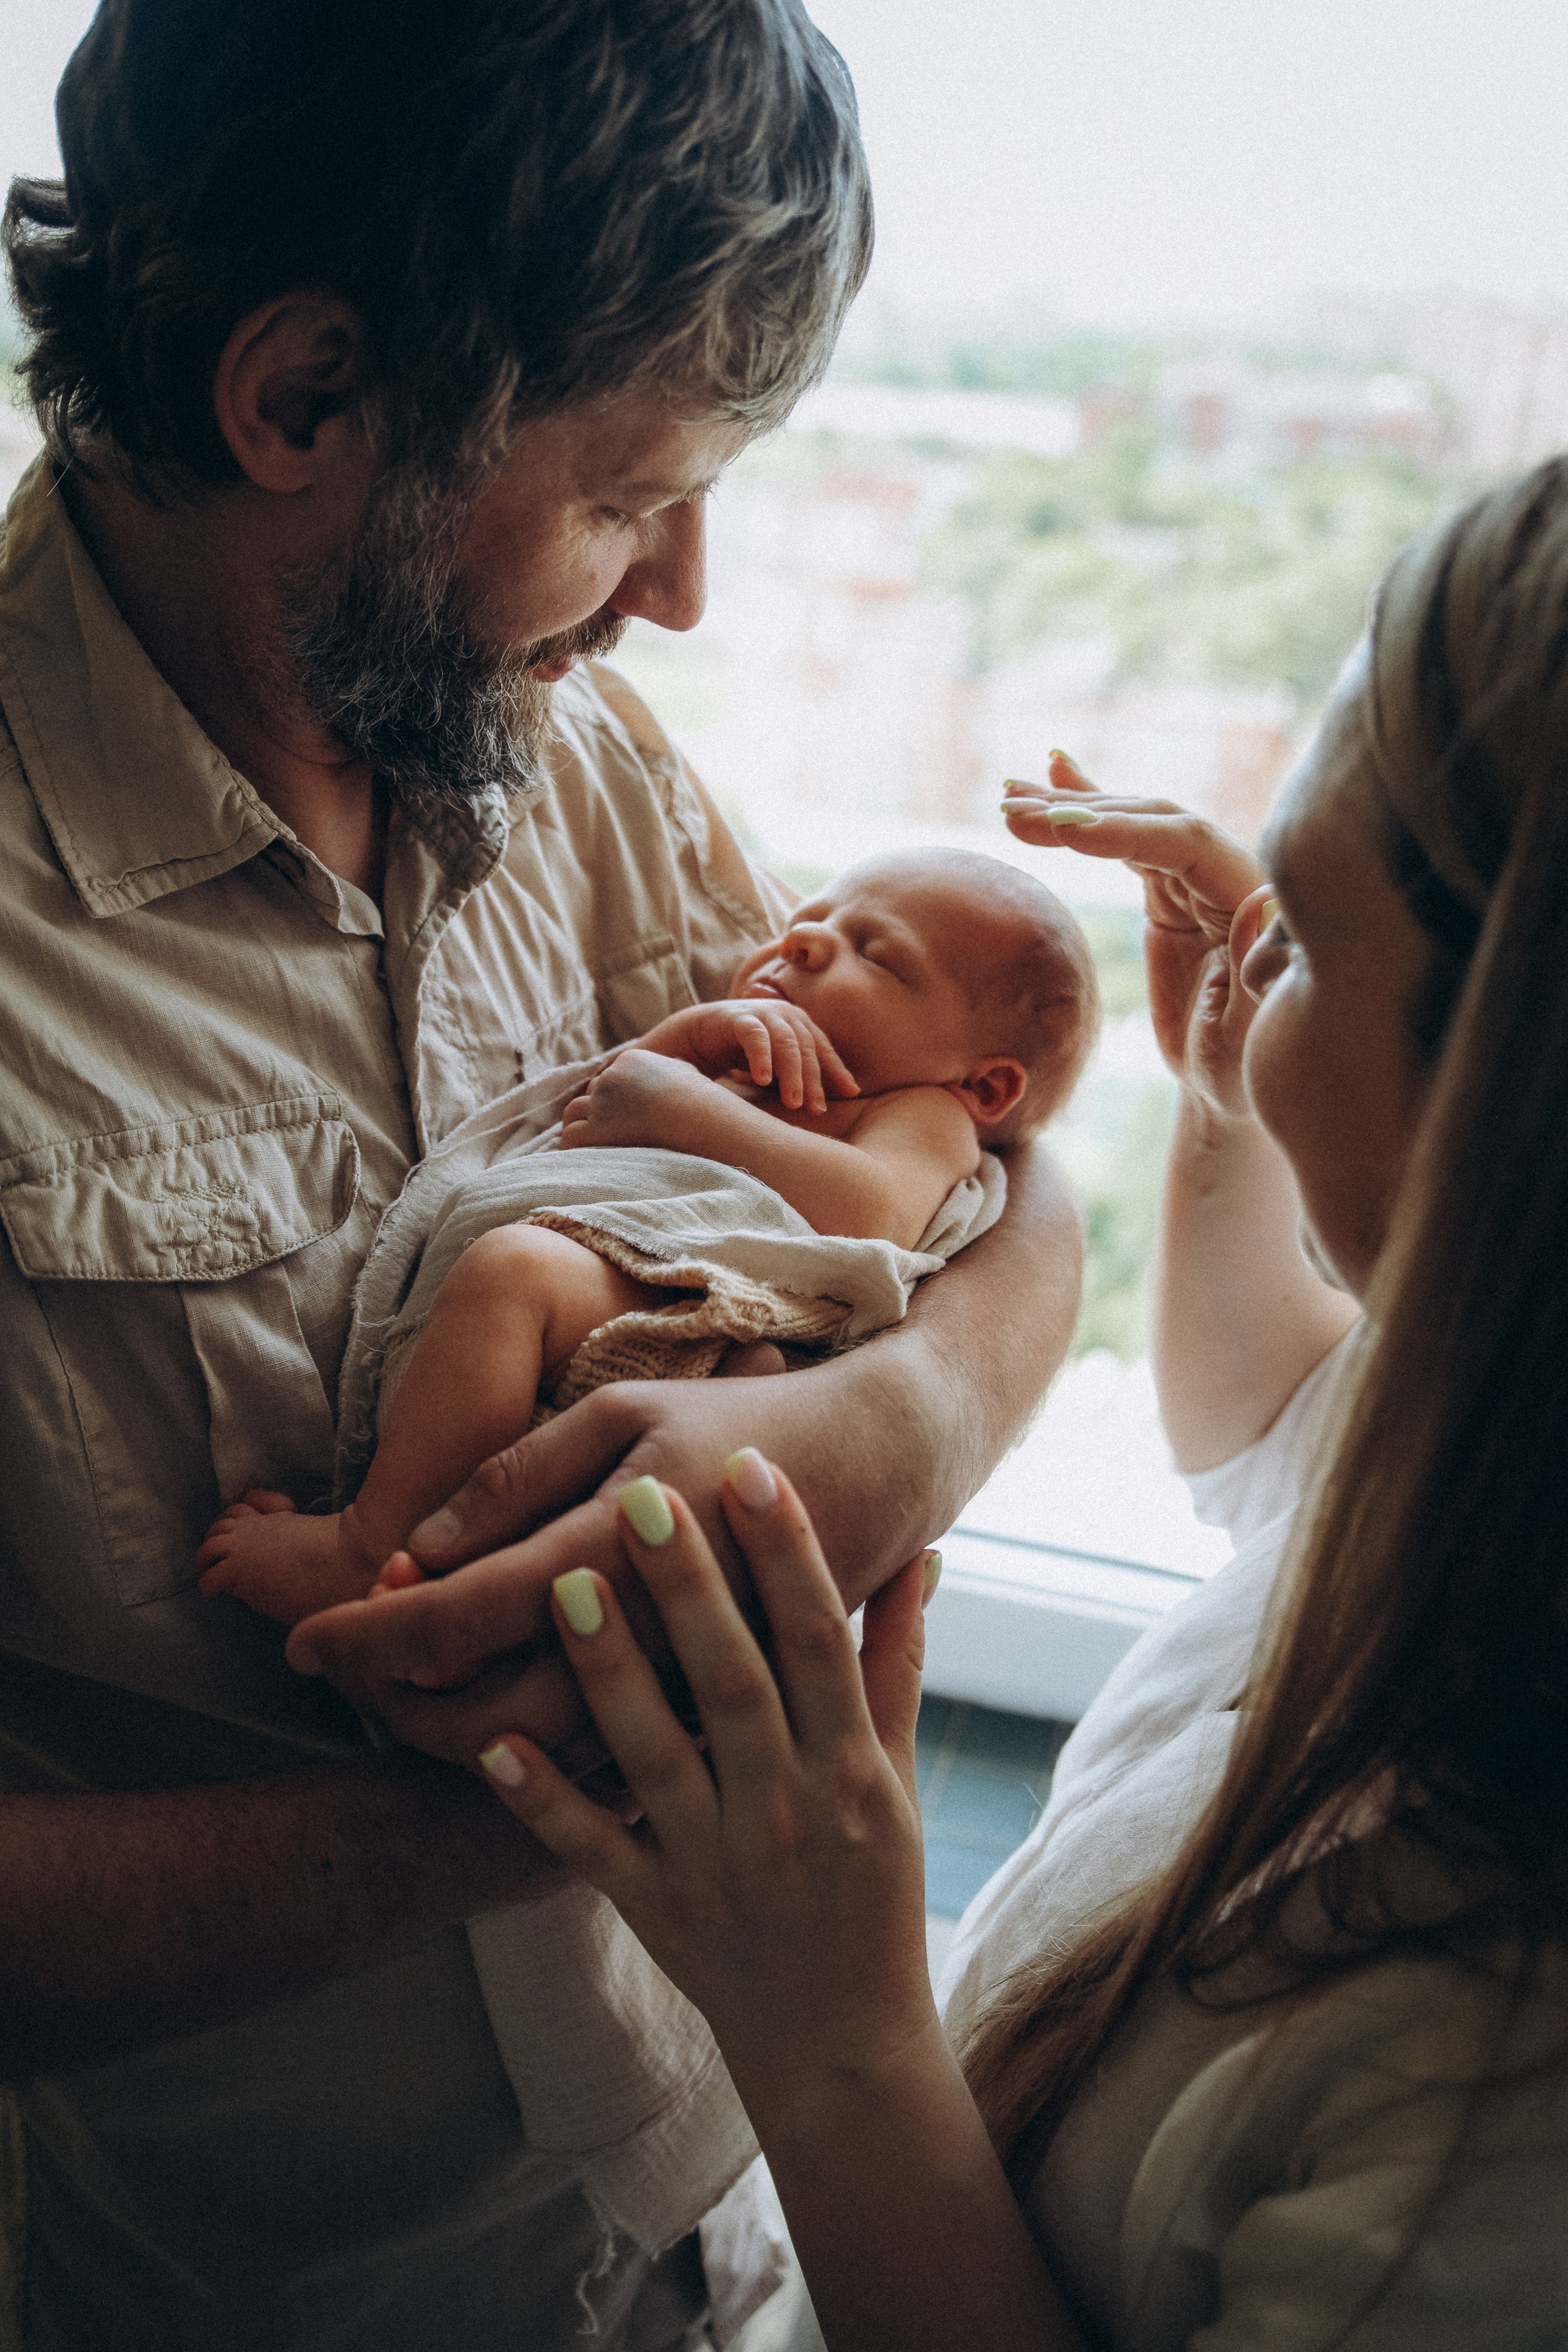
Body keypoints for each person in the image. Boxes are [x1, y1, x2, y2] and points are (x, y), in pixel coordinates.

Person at [0, 6, 1084, 2346]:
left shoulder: (545, 742)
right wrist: (564, 1793)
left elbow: (996, 1157)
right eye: (624, 496)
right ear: (301, 402)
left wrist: (879, 1428)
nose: (679, 590)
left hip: (736, 2209)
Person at [475, 459, 1568, 2350]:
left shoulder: (1497, 2091)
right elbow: (1260, 1423)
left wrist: (836, 2043)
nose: (1244, 946)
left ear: (1502, 1095)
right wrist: (1242, 1084)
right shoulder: (1487, 1444)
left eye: (1297, 924)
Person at [195, 851, 1099, 1620]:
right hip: (645, 1274)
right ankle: (397, 1513)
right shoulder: (755, 1066)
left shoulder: (924, 1112)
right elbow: (600, 1114)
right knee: (508, 1287)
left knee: (514, 1273)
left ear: (986, 1088)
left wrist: (695, 1108)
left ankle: (370, 1542)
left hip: (709, 1310)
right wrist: (691, 1043)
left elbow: (871, 1216)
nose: (807, 942)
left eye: (877, 953)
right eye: (809, 921)